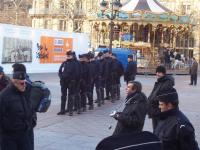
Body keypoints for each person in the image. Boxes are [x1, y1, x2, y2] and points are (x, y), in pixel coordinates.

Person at [0, 69, 36, 150]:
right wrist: (5, 132)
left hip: (26, 133)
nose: (24, 85)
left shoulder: (27, 91)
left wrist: (33, 121)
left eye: (25, 82)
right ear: (14, 82)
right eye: (22, 83)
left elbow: (32, 108)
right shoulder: (4, 96)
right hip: (10, 137)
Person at [147, 65, 174, 130]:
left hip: (159, 110)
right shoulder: (160, 81)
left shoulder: (167, 83)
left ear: (163, 73)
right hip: (155, 109)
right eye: (157, 72)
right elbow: (153, 93)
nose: (157, 74)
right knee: (156, 128)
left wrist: (152, 101)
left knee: (159, 129)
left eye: (159, 72)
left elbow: (163, 96)